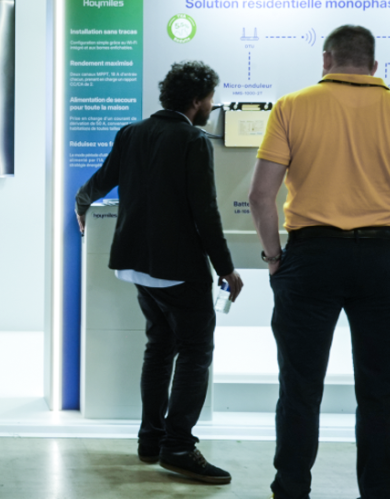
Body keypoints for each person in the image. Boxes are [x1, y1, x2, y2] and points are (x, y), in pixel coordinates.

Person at [249, 25, 390, 499]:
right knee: (381, 394)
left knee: (300, 388)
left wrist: (274, 258)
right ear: (375, 65)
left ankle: (291, 490)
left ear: (326, 60)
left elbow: (260, 196)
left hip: (312, 257)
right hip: (384, 258)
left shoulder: (292, 106)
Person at [74, 60, 241, 485]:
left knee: (159, 347)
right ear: (196, 100)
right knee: (196, 352)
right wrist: (226, 268)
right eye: (210, 99)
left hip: (135, 267)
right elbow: (205, 212)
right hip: (177, 270)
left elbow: (99, 182)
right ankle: (179, 447)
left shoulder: (131, 133)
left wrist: (81, 204)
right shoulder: (192, 139)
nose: (212, 107)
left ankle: (151, 440)